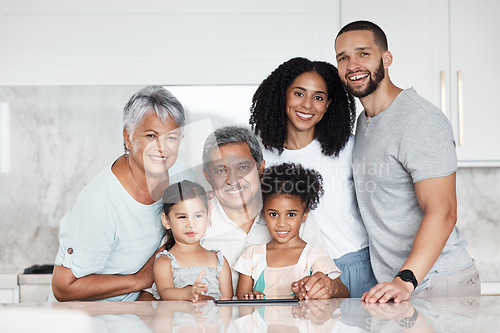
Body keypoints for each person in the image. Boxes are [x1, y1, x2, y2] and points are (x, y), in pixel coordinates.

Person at [334, 20, 480, 303]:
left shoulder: (419, 119)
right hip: (398, 286)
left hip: (438, 283)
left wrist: (406, 280)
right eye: (343, 57)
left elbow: (443, 210)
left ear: (386, 59)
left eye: (363, 53)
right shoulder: (365, 123)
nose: (352, 64)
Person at [51, 86, 196, 302]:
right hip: (91, 321)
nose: (162, 148)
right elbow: (63, 288)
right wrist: (140, 279)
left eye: (171, 137)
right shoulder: (99, 202)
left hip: (139, 315)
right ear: (128, 137)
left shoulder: (183, 176)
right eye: (151, 135)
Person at [249, 57, 376, 298]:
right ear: (283, 96)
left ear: (328, 105)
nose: (307, 105)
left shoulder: (349, 149)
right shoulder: (262, 158)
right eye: (298, 93)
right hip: (294, 274)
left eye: (318, 97)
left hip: (353, 267)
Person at [200, 126, 325, 292]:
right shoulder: (191, 220)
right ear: (207, 176)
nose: (233, 180)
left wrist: (326, 288)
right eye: (221, 170)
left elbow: (331, 283)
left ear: (260, 169)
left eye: (243, 167)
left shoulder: (293, 216)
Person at [234, 163, 345, 299]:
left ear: (304, 214)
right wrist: (251, 298)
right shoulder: (251, 255)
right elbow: (240, 302)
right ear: (264, 213)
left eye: (291, 214)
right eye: (273, 214)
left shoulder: (314, 256)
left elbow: (343, 292)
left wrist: (329, 289)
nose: (281, 223)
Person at [153, 180, 232, 301]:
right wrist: (187, 293)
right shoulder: (165, 262)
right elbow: (165, 293)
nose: (191, 224)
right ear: (166, 221)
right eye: (182, 217)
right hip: (178, 319)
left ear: (208, 216)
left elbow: (227, 303)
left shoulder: (218, 260)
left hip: (213, 319)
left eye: (198, 216)